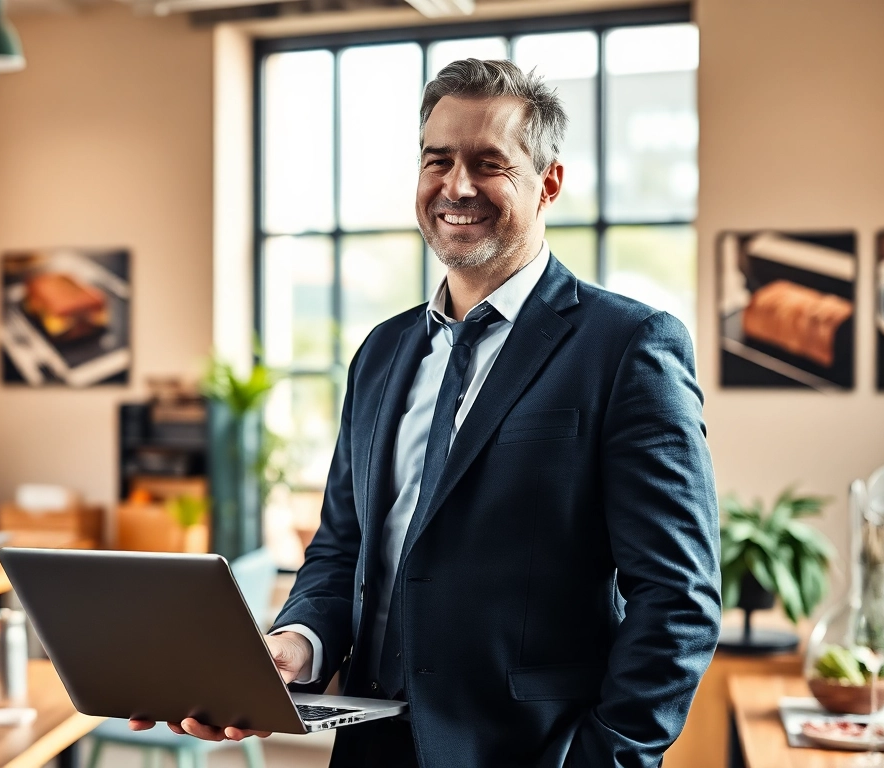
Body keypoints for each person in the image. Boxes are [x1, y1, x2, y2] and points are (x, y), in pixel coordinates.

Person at [132, 58, 721, 768]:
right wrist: (296, 644)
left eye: (488, 163)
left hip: (533, 752)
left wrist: (606, 758)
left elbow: (677, 600)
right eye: (437, 160)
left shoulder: (628, 346)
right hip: (370, 749)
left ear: (549, 183)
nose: (456, 186)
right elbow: (342, 547)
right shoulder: (381, 352)